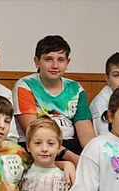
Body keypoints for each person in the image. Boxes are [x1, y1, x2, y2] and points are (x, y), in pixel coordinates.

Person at [13, 35, 95, 164]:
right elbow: (33, 132)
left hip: (70, 144)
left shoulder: (75, 88)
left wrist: (93, 158)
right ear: (37, 61)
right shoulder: (25, 85)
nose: (55, 65)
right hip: (39, 146)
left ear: (67, 62)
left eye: (61, 60)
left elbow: (86, 133)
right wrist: (72, 159)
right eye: (48, 59)